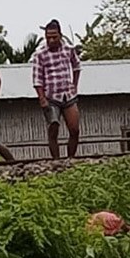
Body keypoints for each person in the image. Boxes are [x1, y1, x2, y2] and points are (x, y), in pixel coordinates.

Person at [31, 19, 81, 158]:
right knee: (53, 128)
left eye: (54, 37)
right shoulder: (40, 54)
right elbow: (37, 78)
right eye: (49, 37)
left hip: (68, 95)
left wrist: (75, 85)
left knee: (74, 129)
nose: (51, 40)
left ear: (60, 35)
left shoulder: (69, 49)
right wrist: (41, 97)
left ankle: (71, 158)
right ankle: (56, 160)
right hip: (51, 96)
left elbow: (77, 66)